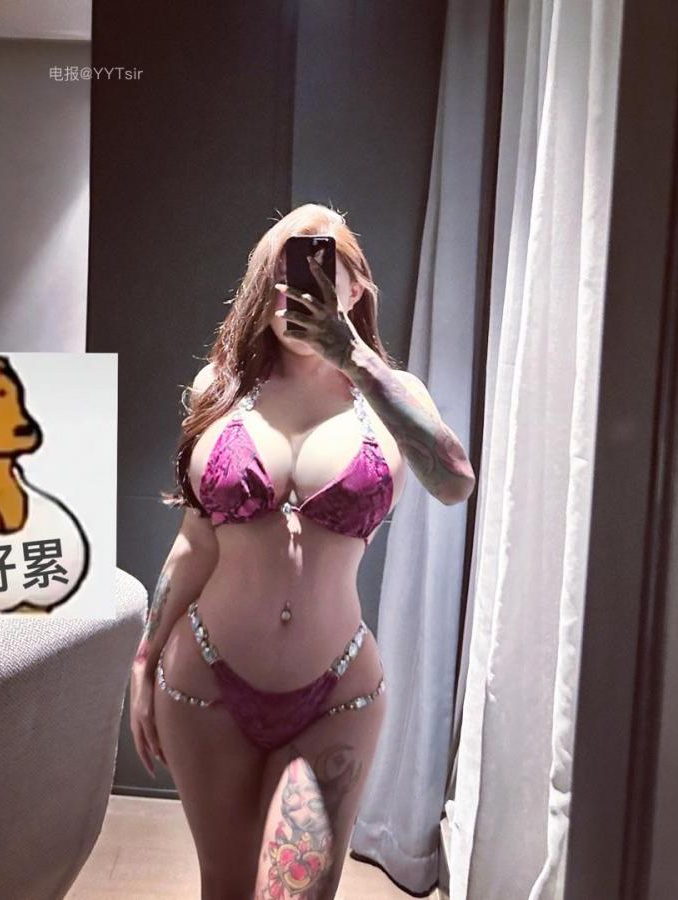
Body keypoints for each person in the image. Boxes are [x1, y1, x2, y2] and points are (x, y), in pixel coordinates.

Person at [129, 203, 475, 899]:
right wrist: (143, 658)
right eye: (282, 279)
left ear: (355, 288)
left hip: (335, 694)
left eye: (318, 276)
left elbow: (453, 483)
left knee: (299, 894)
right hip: (204, 682)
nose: (295, 296)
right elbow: (195, 542)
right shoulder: (221, 391)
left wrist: (356, 360)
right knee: (225, 888)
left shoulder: (392, 397)